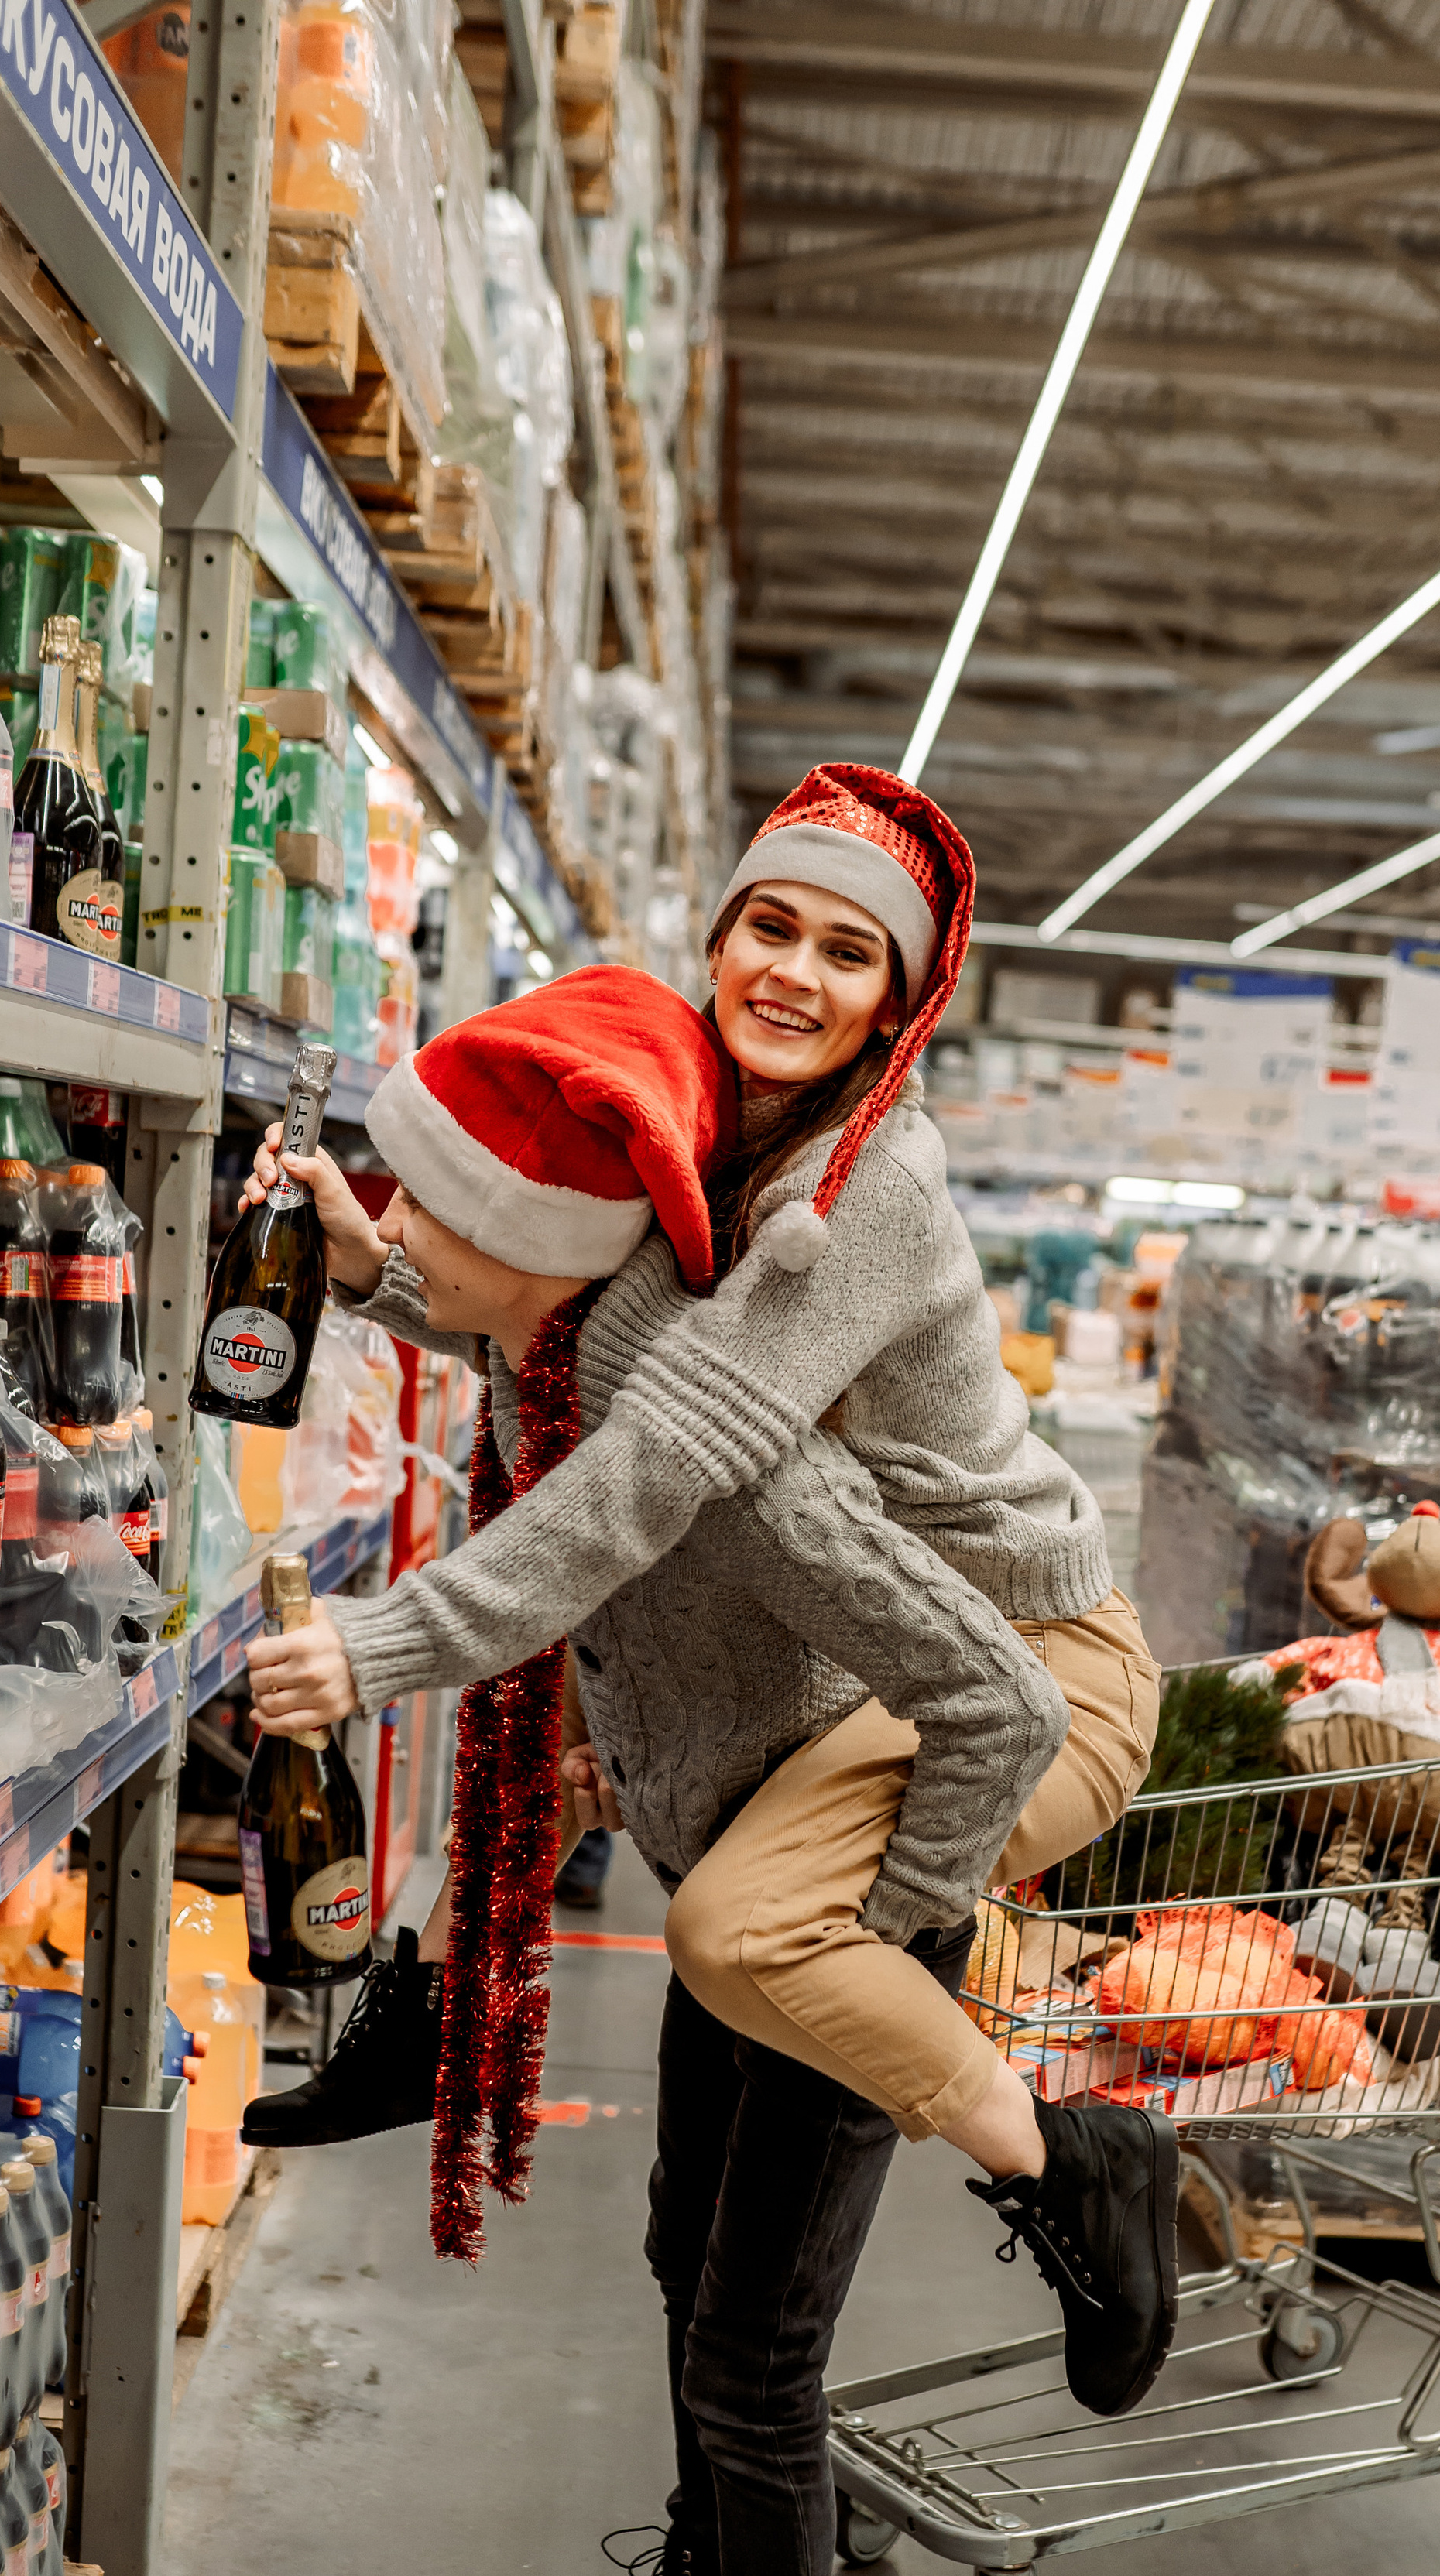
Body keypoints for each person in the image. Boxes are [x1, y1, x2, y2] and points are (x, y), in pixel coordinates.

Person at [245, 970, 1174, 2576]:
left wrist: (899, 1924)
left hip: (856, 1841)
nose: (398, 1231)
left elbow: (983, 1688)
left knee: (755, 2350)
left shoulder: (723, 1417)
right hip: (745, 1832)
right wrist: (366, 1268)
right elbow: (542, 1375)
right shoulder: (568, 1337)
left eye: (429, 1205)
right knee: (685, 2260)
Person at [248, 766, 1157, 2224]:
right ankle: (443, 2012)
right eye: (770, 926)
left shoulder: (866, 1190)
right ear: (721, 934)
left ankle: (1073, 2167)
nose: (793, 974)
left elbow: (659, 1450)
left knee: (723, 1913)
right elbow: (584, 1324)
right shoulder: (713, 1109)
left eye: (848, 953)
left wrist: (383, 1645)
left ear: (896, 1003)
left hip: (1002, 1647)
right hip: (855, 1621)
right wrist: (379, 1273)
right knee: (554, 1707)